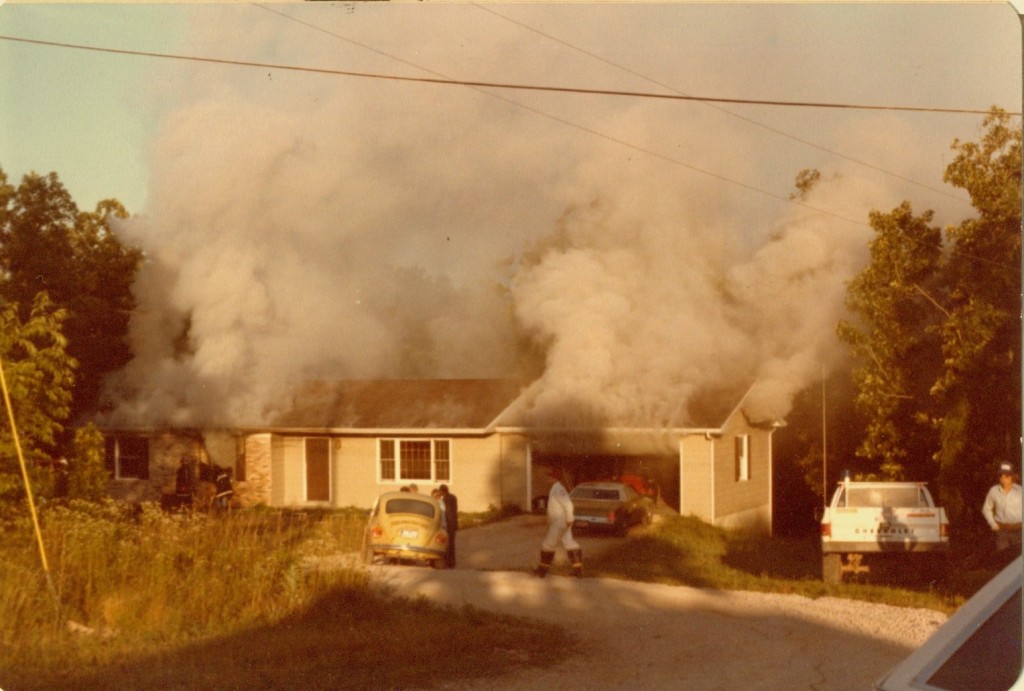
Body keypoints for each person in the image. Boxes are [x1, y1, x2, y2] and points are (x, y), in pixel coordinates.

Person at [536, 466, 583, 578]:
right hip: (562, 522)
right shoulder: (555, 488)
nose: (547, 478)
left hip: (560, 522)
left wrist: (570, 518)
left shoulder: (558, 489)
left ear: (554, 478)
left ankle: (541, 572)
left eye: (549, 476)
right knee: (569, 542)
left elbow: (568, 504)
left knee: (547, 544)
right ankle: (578, 571)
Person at [982, 461, 1023, 564]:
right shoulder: (994, 491)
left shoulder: (1020, 491)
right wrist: (993, 523)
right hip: (1002, 531)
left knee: (1018, 560)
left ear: (1012, 477)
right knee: (1003, 560)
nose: (1003, 479)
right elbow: (986, 509)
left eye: (1007, 476)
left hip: (1018, 530)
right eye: (1001, 476)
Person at [439, 484, 458, 569]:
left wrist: (445, 524)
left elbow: (447, 512)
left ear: (442, 491)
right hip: (453, 522)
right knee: (452, 543)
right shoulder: (453, 497)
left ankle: (448, 561)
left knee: (447, 543)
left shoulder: (444, 500)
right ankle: (452, 562)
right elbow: (454, 511)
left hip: (448, 523)